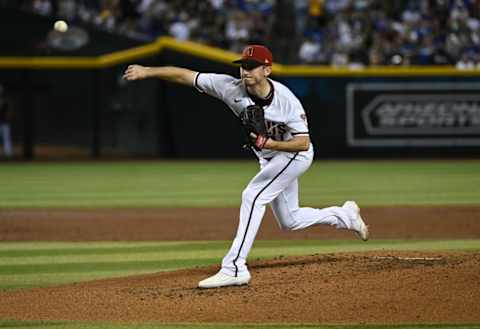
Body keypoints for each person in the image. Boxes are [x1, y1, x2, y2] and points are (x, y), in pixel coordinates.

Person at [123, 44, 369, 289]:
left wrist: (270, 142)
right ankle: (344, 215)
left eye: (252, 67)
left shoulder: (286, 101)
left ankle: (234, 267)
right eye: (243, 66)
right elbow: (185, 75)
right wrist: (148, 71)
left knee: (252, 196)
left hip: (294, 155)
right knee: (290, 220)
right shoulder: (229, 88)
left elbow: (303, 143)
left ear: (267, 70)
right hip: (269, 157)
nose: (245, 71)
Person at [0, 84, 13, 159]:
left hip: (4, 123)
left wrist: (8, 118)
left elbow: (9, 112)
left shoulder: (5, 101)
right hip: (4, 123)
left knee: (7, 140)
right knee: (6, 139)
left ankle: (8, 156)